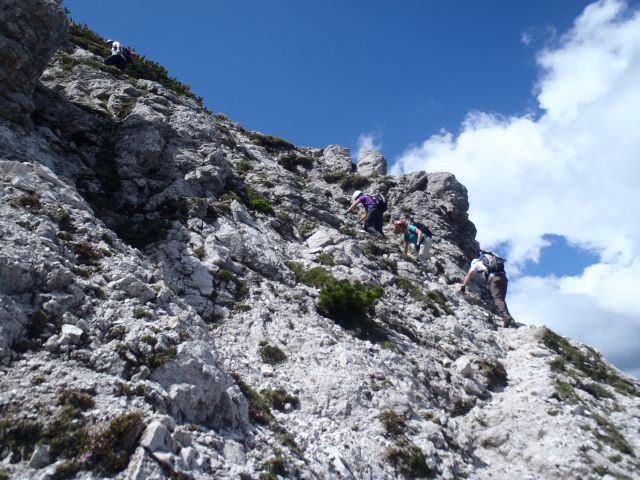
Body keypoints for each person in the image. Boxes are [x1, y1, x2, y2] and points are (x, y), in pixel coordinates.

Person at [460, 251, 515, 327]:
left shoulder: (476, 264)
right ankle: (508, 318)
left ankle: (506, 317)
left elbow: (469, 275)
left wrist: (463, 287)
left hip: (494, 279)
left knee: (497, 299)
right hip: (504, 278)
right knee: (501, 299)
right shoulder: (491, 258)